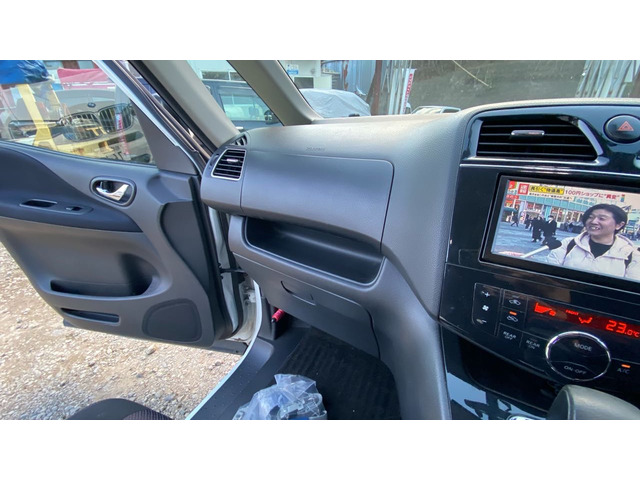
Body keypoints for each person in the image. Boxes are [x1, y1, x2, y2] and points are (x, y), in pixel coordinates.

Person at [547, 204, 640, 280]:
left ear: (619, 225)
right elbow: (550, 275)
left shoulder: (631, 254)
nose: (593, 221)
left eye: (602, 218)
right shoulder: (569, 244)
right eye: (590, 217)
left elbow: (632, 289)